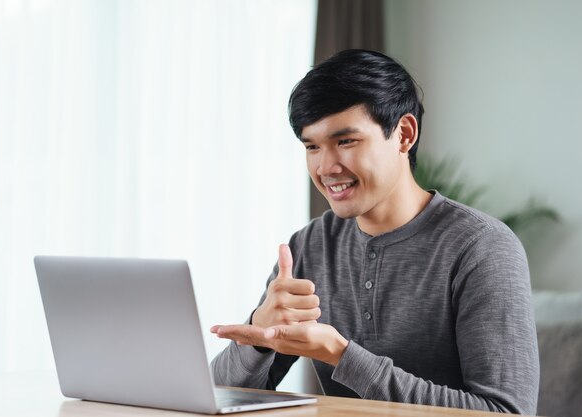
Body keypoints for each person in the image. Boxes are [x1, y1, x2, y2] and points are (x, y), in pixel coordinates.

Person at [210, 49, 539, 415]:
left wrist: (341, 355)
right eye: (312, 146)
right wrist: (259, 335)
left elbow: (507, 412)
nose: (326, 167)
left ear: (404, 135)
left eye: (346, 141)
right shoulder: (310, 246)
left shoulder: (482, 247)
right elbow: (218, 395)